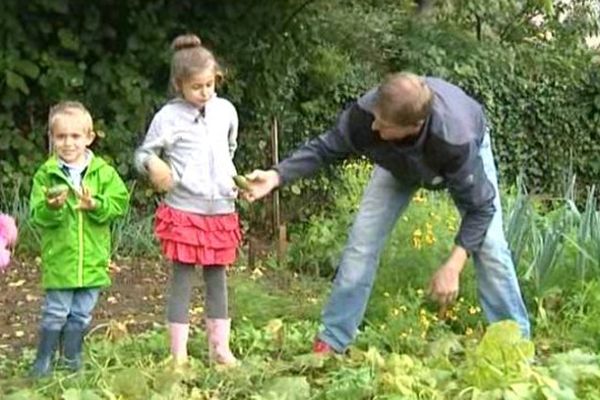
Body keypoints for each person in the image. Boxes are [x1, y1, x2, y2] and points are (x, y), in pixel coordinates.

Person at [243, 72, 531, 354]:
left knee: (491, 247)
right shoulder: (368, 115)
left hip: (455, 154)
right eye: (376, 117)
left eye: (384, 124)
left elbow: (481, 209)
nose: (374, 128)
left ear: (414, 125)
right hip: (395, 162)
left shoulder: (455, 139)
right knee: (361, 244)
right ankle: (332, 339)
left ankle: (515, 346)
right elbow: (325, 148)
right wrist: (276, 176)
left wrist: (453, 266)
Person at [134, 33, 241, 366]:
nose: (205, 93)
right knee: (182, 280)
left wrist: (236, 180)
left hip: (221, 208)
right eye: (197, 87)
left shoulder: (225, 111)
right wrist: (154, 165)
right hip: (184, 210)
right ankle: (177, 354)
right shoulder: (168, 117)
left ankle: (219, 349)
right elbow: (142, 154)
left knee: (217, 279)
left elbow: (230, 149)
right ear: (179, 85)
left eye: (210, 84)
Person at [29, 101, 130, 376]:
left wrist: (95, 204)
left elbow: (120, 204)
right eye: (61, 136)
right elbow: (37, 215)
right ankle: (43, 361)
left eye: (75, 136)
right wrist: (53, 207)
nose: (68, 143)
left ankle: (71, 360)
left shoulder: (104, 173)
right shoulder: (46, 175)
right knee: (56, 312)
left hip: (93, 260)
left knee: (82, 314)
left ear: (89, 138)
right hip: (61, 259)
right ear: (52, 139)